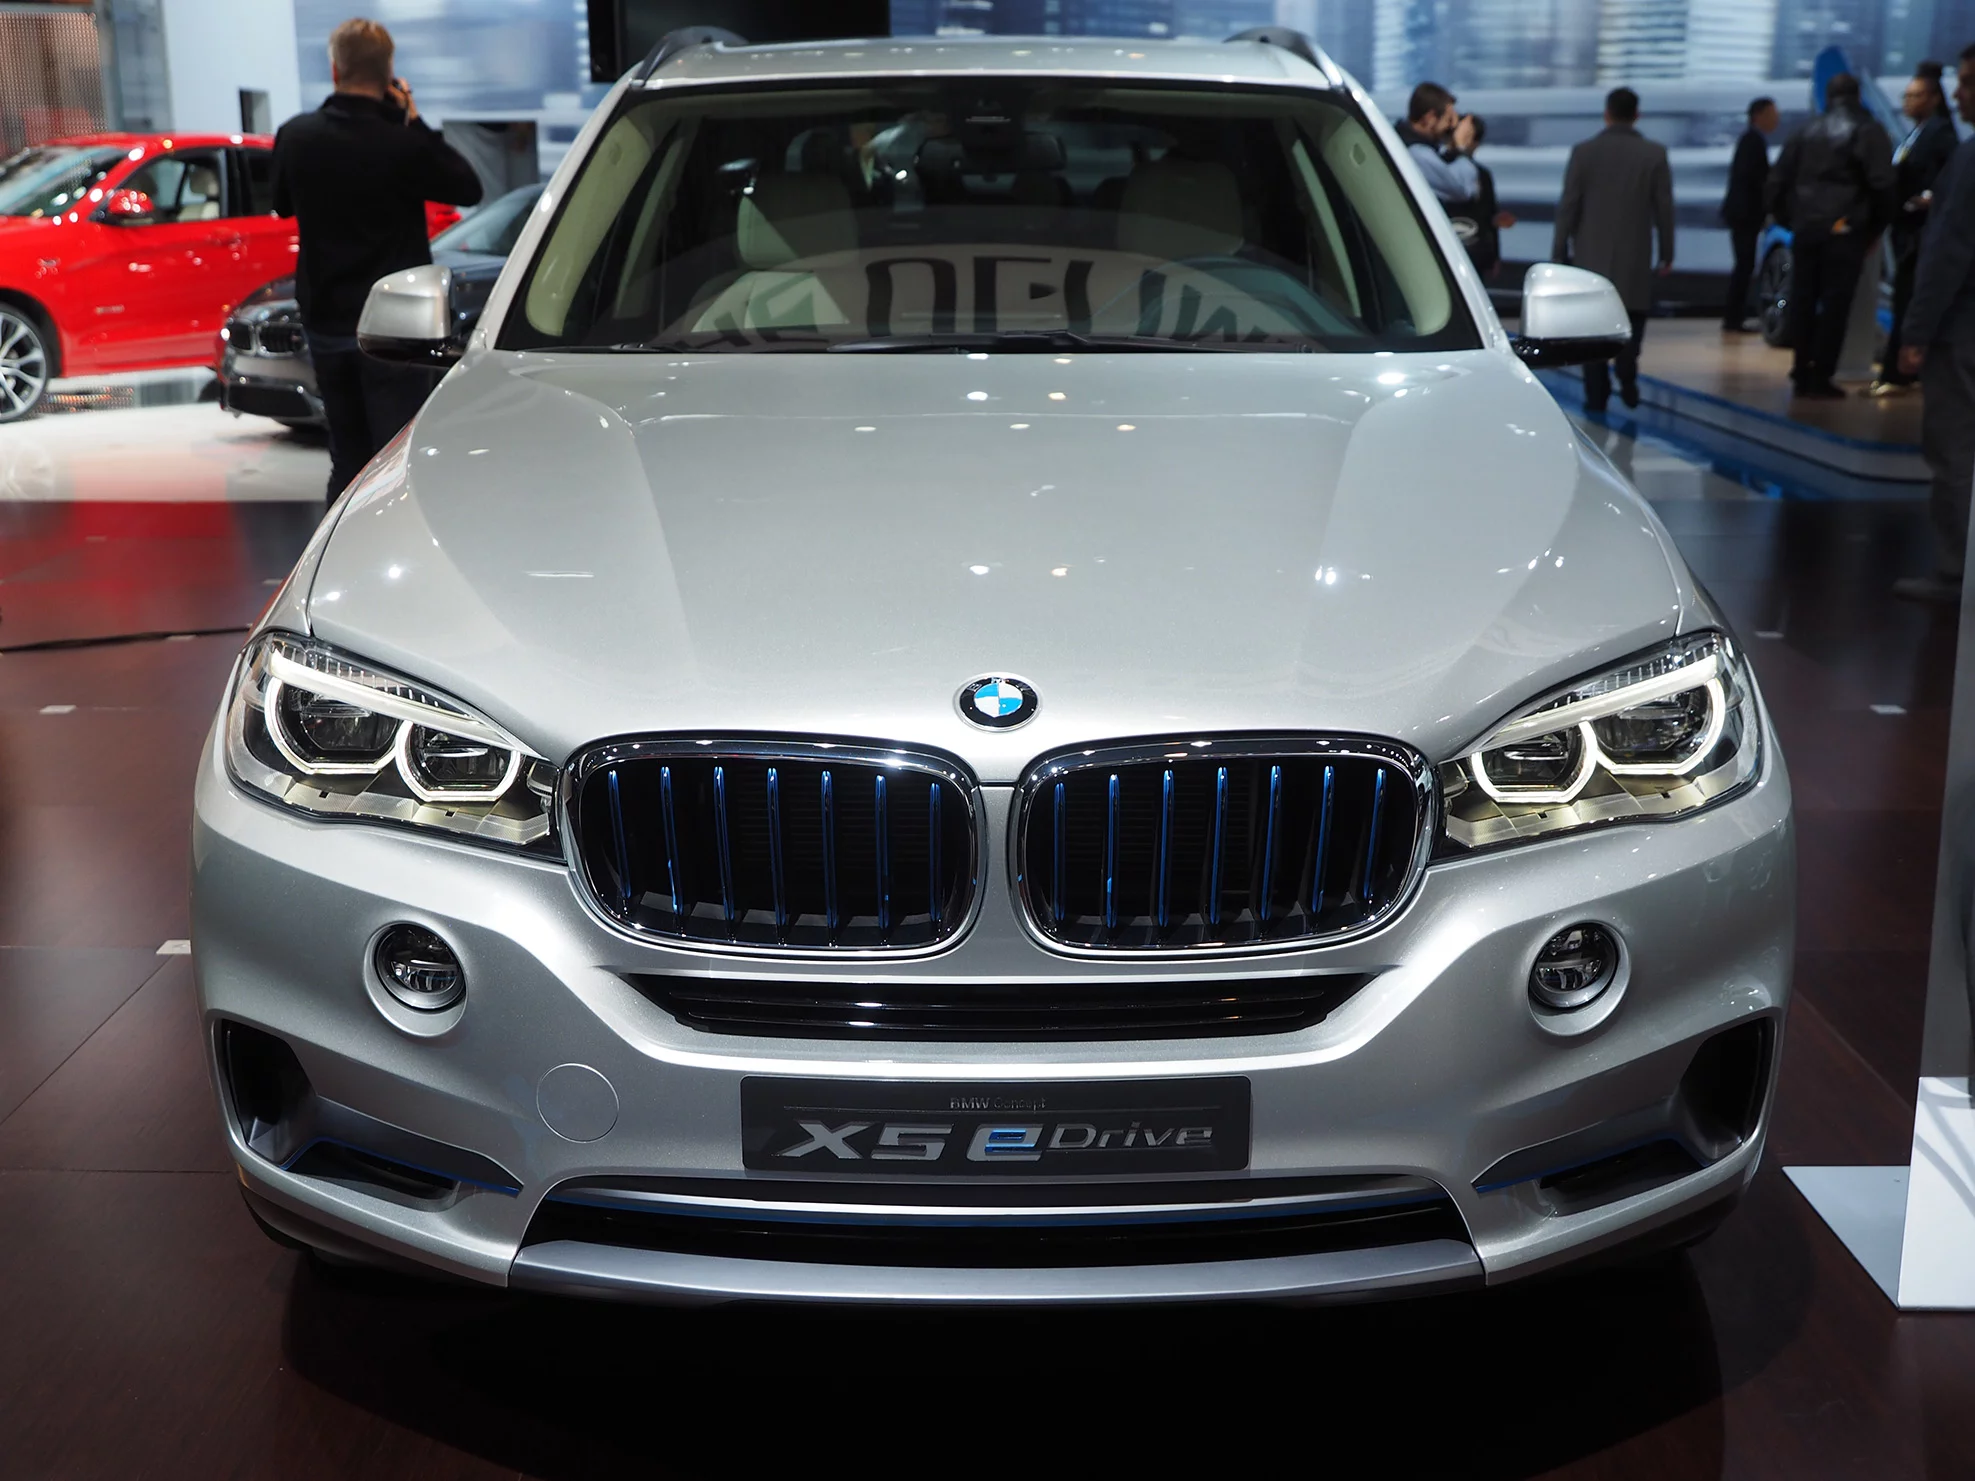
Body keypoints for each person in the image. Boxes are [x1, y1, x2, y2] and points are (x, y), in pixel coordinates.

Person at [273, 17, 482, 502]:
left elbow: (281, 203)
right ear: (390, 75)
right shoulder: (404, 142)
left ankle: (337, 544)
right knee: (396, 459)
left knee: (347, 458)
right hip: (395, 328)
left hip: (328, 320)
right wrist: (413, 119)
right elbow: (468, 187)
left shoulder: (296, 136)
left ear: (335, 70)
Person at [1893, 46, 1975, 601]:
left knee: (1954, 451)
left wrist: (1916, 332)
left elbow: (1948, 253)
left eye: (1967, 83)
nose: (1957, 94)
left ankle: (1954, 572)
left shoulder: (1969, 159)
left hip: (1961, 329)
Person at [1765, 72, 1896, 399]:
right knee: (1836, 304)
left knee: (1803, 298)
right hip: (1846, 229)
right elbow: (1883, 185)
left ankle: (1800, 368)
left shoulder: (1805, 130)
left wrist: (1792, 220)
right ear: (1858, 95)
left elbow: (1776, 183)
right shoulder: (1868, 130)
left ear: (1828, 95)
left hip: (1807, 228)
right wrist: (1874, 228)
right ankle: (1822, 374)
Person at [1552, 87, 1674, 412]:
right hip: (1635, 257)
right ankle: (1626, 368)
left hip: (1590, 258)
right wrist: (1667, 252)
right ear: (1637, 115)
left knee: (1591, 328)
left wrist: (1558, 252)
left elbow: (1569, 206)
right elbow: (1664, 209)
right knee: (1633, 314)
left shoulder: (1583, 152)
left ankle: (1596, 394)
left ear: (1606, 114)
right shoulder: (1654, 154)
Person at [1871, 63, 1958, 394]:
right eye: (1906, 96)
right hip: (1906, 231)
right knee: (1903, 300)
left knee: (1910, 301)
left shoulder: (1941, 134)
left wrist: (1928, 199)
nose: (1908, 102)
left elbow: (1948, 182)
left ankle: (1899, 374)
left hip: (1922, 234)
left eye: (1915, 96)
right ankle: (1898, 372)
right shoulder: (1915, 134)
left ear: (1933, 98)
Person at [1721, 97, 1778, 331]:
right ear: (1758, 116)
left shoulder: (1753, 140)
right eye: (1772, 114)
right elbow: (1754, 180)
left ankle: (1735, 317)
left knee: (1744, 265)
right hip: (1744, 214)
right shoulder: (1752, 141)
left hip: (1744, 214)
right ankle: (1733, 319)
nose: (1776, 119)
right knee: (1744, 266)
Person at [1395, 82, 1480, 206]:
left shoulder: (1404, 141)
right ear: (1430, 118)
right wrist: (1461, 148)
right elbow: (1460, 189)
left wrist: (1452, 151)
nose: (1451, 126)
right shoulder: (1418, 153)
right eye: (1448, 120)